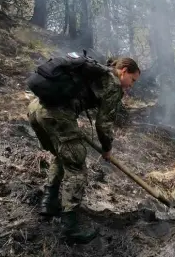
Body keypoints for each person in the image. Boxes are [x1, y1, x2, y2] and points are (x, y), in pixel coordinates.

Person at [27, 55, 140, 244]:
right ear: (124, 71)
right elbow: (104, 124)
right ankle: (69, 228)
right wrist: (107, 148)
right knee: (77, 169)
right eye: (133, 80)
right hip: (57, 114)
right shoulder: (113, 85)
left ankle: (49, 203)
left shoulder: (95, 72)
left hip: (35, 109)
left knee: (62, 155)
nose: (131, 85)